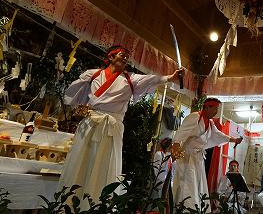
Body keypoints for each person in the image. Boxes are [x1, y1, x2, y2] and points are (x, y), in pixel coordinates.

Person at [59, 45, 182, 207]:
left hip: (111, 126)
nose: (125, 59)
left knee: (104, 163)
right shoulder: (93, 74)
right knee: (81, 159)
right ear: (110, 57)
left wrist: (170, 77)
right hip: (90, 123)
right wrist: (79, 106)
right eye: (122, 55)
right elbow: (73, 93)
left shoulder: (130, 78)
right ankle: (69, 202)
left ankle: (97, 204)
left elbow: (151, 79)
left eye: (127, 57)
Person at [172, 98, 243, 212]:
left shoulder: (210, 123)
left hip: (198, 157)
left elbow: (218, 135)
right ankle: (184, 209)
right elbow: (181, 132)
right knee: (188, 183)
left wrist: (234, 140)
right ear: (207, 107)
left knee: (198, 184)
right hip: (187, 156)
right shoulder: (195, 117)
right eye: (215, 109)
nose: (216, 112)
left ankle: (197, 209)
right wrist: (175, 145)